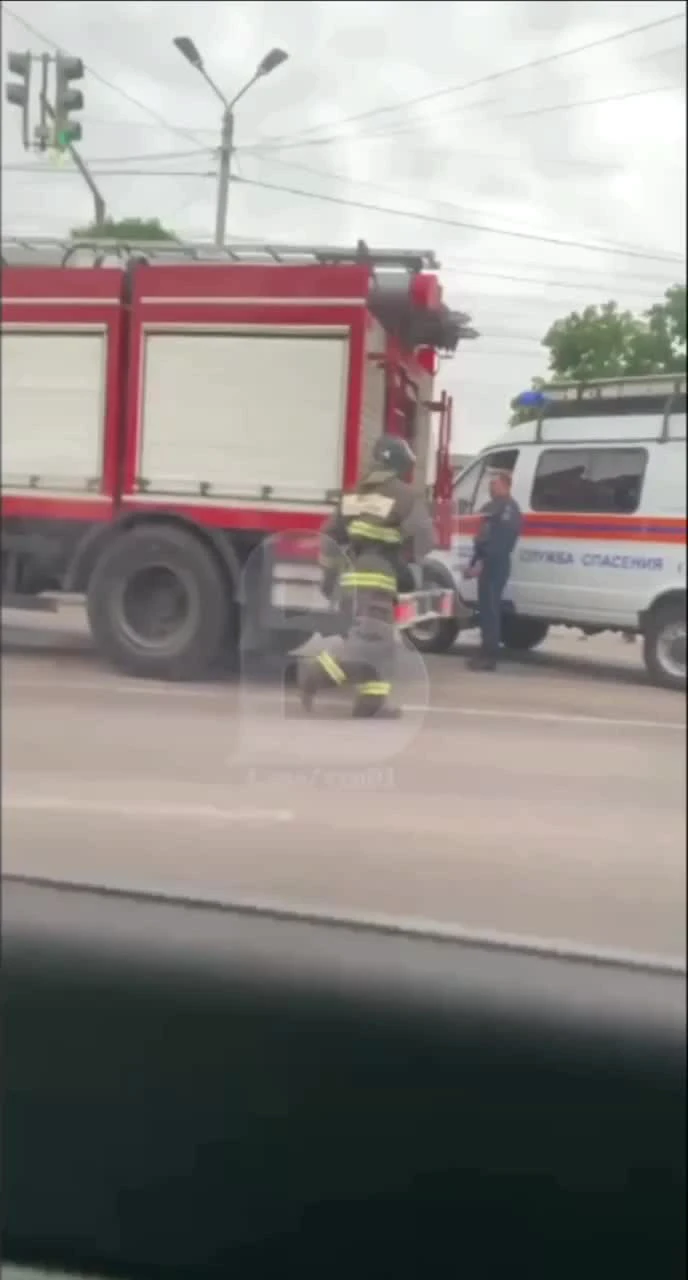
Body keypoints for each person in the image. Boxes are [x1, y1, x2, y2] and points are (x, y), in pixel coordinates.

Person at [298, 434, 434, 718]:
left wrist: (327, 576)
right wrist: (411, 557)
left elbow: (329, 536)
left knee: (380, 645)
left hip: (351, 578)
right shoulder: (404, 495)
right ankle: (316, 674)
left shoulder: (354, 494)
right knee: (373, 642)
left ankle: (370, 703)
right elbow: (424, 535)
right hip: (379, 578)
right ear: (399, 464)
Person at [464, 468, 522, 672]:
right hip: (487, 563)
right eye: (490, 484)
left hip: (495, 565)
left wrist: (482, 563)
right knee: (486, 611)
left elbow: (501, 543)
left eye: (494, 484)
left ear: (505, 485)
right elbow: (483, 538)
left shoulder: (508, 509)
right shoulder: (493, 506)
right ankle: (484, 652)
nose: (491, 487)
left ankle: (489, 656)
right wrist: (474, 563)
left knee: (490, 612)